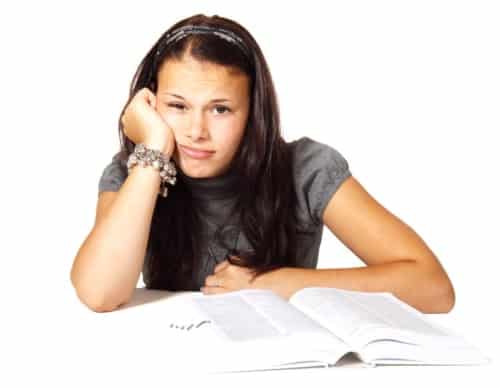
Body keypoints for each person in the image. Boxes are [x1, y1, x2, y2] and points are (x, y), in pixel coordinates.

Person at [70, 13, 455, 314]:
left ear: (253, 112)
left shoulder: (307, 168)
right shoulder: (135, 173)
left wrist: (276, 283)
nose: (196, 131)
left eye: (220, 109)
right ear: (150, 104)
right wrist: (153, 149)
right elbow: (99, 292)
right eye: (177, 106)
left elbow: (432, 287)